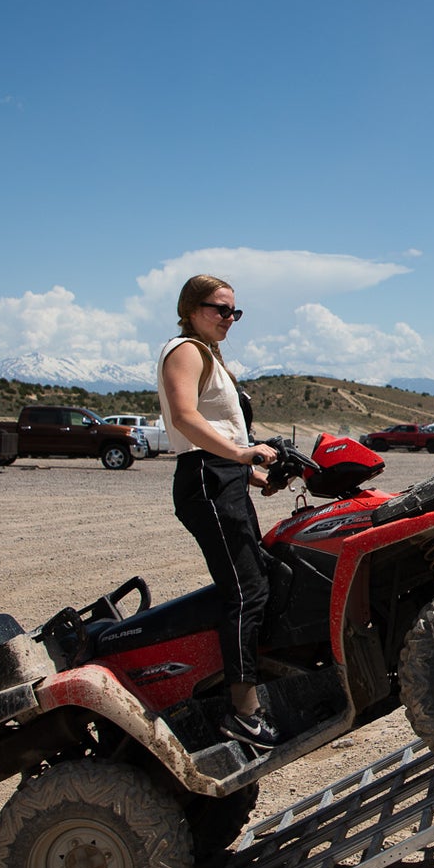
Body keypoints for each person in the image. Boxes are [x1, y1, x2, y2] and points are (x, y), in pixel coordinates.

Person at [157, 274, 283, 750]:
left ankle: (248, 682)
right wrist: (243, 455)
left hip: (221, 478)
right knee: (246, 589)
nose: (229, 318)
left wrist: (248, 472)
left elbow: (211, 429)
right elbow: (187, 418)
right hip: (207, 481)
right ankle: (243, 711)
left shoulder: (208, 353)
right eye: (220, 309)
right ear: (191, 308)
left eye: (235, 312)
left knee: (260, 577)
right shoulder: (185, 349)